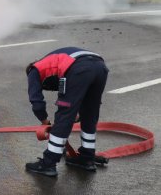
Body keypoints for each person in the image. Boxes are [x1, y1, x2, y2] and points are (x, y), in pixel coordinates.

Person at [24, 47, 109, 177]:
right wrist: (77, 111)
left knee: (64, 115)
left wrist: (45, 121)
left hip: (79, 68)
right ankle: (87, 158)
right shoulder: (54, 61)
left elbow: (37, 103)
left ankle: (48, 163)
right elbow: (79, 95)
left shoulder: (34, 71)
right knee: (90, 113)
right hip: (100, 67)